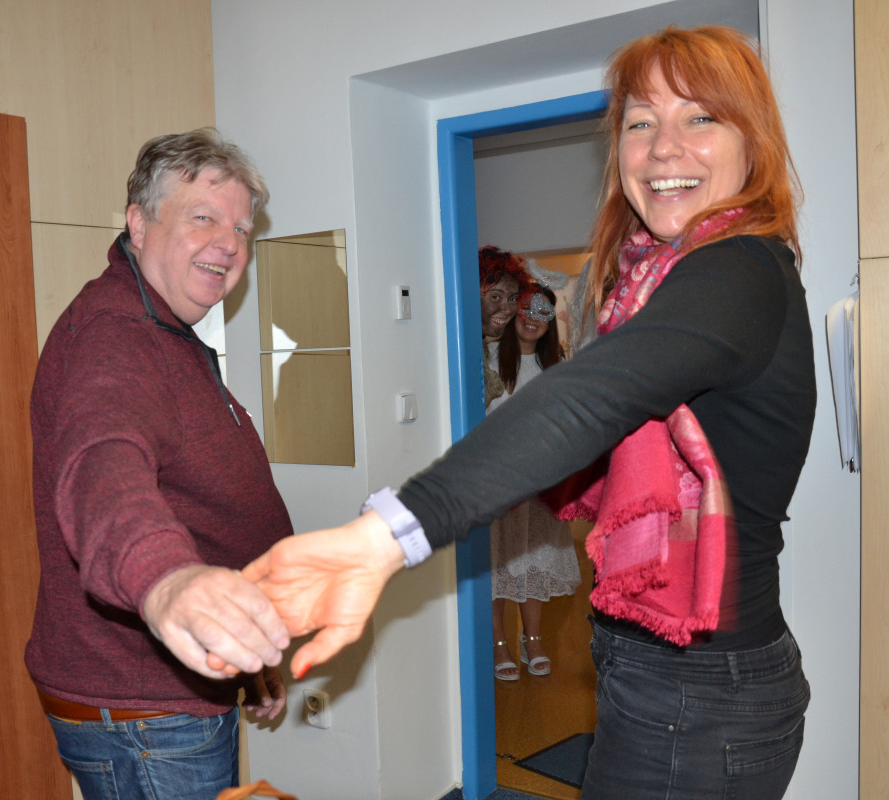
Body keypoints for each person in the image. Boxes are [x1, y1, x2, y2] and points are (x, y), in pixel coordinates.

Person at [245, 25, 814, 800]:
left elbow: (593, 396)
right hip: (671, 677)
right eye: (641, 122)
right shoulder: (661, 282)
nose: (663, 147)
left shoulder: (740, 269)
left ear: (754, 142)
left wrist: (383, 537)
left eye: (700, 117)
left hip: (698, 695)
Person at [26, 127, 292, 800]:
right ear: (139, 224)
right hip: (145, 711)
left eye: (241, 229)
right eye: (203, 218)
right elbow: (103, 467)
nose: (229, 243)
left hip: (176, 687)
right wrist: (168, 582)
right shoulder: (117, 337)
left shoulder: (165, 330)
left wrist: (238, 652)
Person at [487, 282, 581, 681]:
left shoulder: (555, 366)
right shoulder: (488, 358)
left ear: (551, 322)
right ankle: (498, 643)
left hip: (541, 483)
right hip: (495, 481)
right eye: (525, 309)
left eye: (543, 313)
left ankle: (533, 639)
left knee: (533, 559)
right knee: (496, 561)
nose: (531, 319)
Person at [477, 245, 524, 408]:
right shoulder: (451, 347)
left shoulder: (477, 345)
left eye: (513, 299)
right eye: (496, 297)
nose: (507, 309)